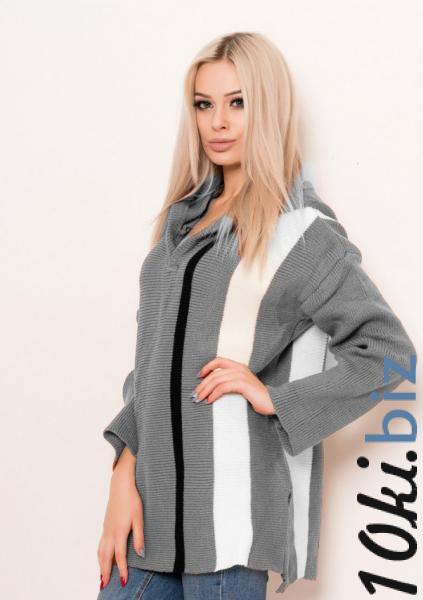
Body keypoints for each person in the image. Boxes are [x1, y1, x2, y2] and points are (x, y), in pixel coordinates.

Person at [96, 32, 417, 599]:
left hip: (233, 528)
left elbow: (389, 354)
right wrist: (123, 473)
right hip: (150, 516)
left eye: (238, 102)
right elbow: (150, 366)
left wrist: (276, 398)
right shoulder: (178, 226)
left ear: (267, 108)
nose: (218, 121)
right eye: (204, 104)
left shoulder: (300, 231)